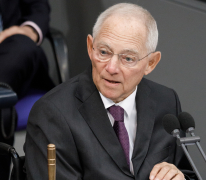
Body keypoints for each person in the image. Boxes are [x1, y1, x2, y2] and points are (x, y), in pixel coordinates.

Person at [24, 3, 196, 180]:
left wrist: (180, 177)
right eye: (104, 52)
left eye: (128, 58)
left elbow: (188, 172)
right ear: (91, 47)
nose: (112, 68)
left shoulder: (166, 101)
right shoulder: (52, 114)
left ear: (151, 63)